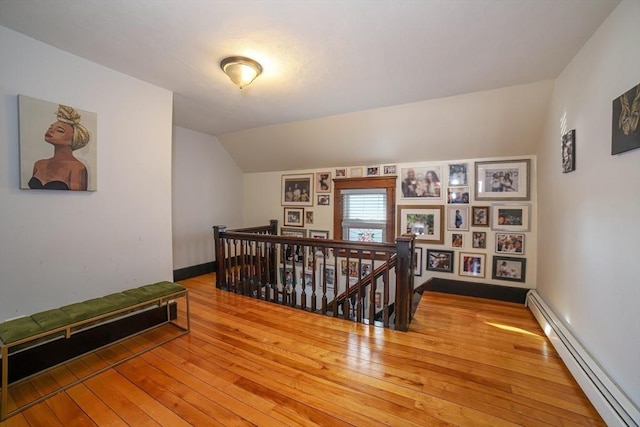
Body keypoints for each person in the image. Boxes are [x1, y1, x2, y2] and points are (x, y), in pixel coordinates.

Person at [29, 104, 90, 191]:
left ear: (73, 140)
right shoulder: (39, 164)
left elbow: (78, 200)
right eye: (50, 128)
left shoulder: (77, 168)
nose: (50, 131)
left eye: (60, 131)